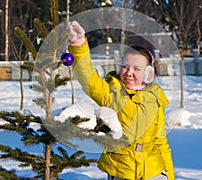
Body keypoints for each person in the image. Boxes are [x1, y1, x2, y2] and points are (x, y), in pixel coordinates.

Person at [68, 21, 175, 180]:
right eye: (125, 66)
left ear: (148, 73)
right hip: (121, 171)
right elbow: (87, 78)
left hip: (153, 171)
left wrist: (170, 175)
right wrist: (79, 45)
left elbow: (160, 141)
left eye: (137, 69)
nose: (129, 73)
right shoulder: (111, 93)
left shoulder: (155, 97)